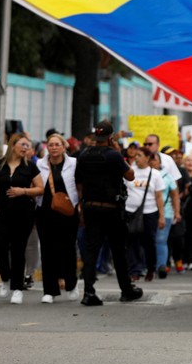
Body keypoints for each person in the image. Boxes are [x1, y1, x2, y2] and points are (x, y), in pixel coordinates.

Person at [75, 120, 142, 305]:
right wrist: (118, 151)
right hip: (111, 209)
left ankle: (88, 292)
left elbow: (79, 184)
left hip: (90, 207)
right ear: (111, 137)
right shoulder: (113, 155)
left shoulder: (84, 154)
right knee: (118, 250)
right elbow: (130, 176)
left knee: (91, 251)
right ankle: (126, 289)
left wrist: (81, 208)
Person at [0, 133, 44, 305]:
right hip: (1, 212)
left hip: (23, 214)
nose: (26, 148)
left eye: (28, 145)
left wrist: (24, 191)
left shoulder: (30, 167)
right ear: (13, 145)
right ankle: (5, 279)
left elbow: (40, 188)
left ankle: (17, 289)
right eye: (23, 144)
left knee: (18, 250)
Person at [35, 133, 80, 303]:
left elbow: (80, 185)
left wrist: (80, 204)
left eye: (57, 144)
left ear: (64, 147)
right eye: (51, 145)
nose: (54, 148)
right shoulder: (39, 164)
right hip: (45, 211)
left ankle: (71, 284)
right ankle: (49, 290)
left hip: (68, 211)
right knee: (47, 250)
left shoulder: (73, 163)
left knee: (68, 249)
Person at [124, 147, 165, 282]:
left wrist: (161, 216)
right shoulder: (130, 171)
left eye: (140, 155)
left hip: (149, 212)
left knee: (149, 242)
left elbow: (159, 196)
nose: (136, 158)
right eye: (135, 155)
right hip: (131, 212)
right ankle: (134, 270)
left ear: (147, 158)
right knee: (132, 242)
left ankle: (150, 268)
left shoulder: (155, 174)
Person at [152, 151, 181, 279]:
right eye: (150, 159)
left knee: (161, 240)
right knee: (148, 240)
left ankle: (161, 266)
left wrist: (177, 212)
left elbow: (175, 196)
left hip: (167, 212)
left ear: (159, 162)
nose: (152, 161)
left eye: (154, 159)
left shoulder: (168, 177)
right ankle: (149, 265)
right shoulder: (144, 174)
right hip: (148, 211)